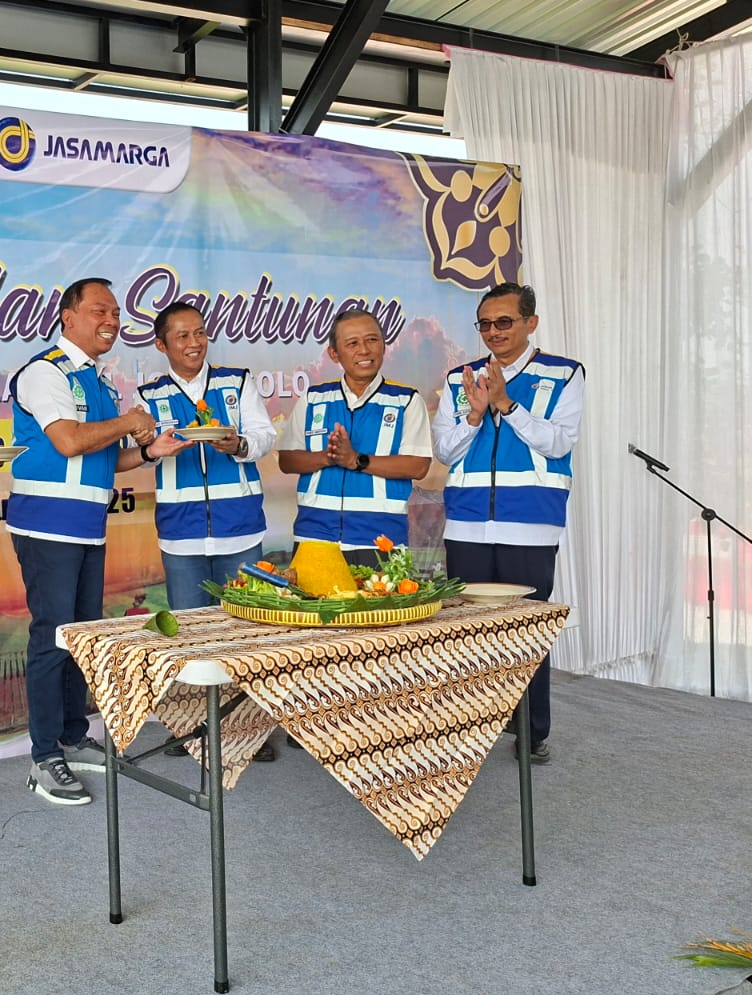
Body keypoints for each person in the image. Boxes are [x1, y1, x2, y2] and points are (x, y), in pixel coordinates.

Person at [6, 277, 188, 805]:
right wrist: (131, 421)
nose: (111, 320)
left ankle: (69, 733)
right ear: (67, 316)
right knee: (51, 636)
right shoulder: (45, 372)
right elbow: (67, 442)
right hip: (46, 526)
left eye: (115, 312)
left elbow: (107, 459)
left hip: (86, 524)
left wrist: (154, 452)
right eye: (99, 310)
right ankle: (43, 758)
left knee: (80, 637)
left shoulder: (100, 382)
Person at [433, 283, 583, 764]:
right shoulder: (461, 377)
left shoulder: (563, 374)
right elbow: (445, 451)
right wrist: (475, 413)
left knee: (524, 633)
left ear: (530, 323)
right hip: (468, 525)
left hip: (530, 524)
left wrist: (507, 405)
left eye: (504, 322)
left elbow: (559, 443)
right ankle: (470, 728)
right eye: (485, 324)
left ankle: (531, 730)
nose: (493, 332)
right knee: (467, 634)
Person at [137, 300, 279, 760]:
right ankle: (195, 727)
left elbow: (263, 437)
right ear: (162, 345)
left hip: (239, 525)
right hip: (181, 530)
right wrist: (155, 450)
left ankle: (248, 728)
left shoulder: (235, 382)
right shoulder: (149, 395)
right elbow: (137, 450)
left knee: (244, 630)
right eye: (182, 336)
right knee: (190, 634)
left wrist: (236, 442)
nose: (195, 343)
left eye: (200, 333)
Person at [277, 308, 431, 566]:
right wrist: (328, 457)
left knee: (381, 607)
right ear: (334, 354)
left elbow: (418, 465)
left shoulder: (406, 400)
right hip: (314, 540)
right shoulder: (313, 399)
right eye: (352, 343)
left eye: (372, 340)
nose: (364, 350)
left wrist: (356, 460)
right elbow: (287, 461)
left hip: (381, 540)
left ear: (384, 345)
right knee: (314, 608)